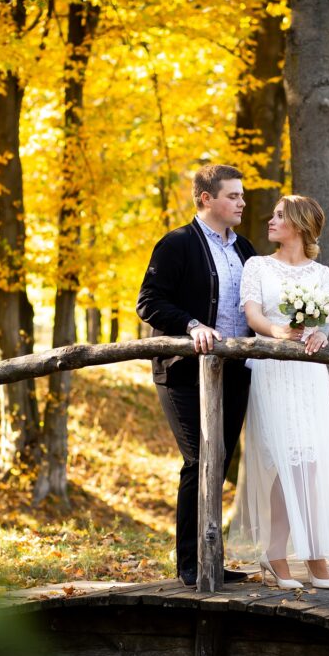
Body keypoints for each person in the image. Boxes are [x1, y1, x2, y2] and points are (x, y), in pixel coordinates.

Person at [136, 164, 257, 587]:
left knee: (219, 463)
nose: (242, 202)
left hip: (236, 372)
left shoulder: (245, 250)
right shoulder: (176, 244)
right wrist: (191, 325)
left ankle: (212, 556)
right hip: (185, 372)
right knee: (200, 460)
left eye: (242, 196)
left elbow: (255, 306)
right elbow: (148, 302)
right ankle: (191, 564)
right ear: (207, 199)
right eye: (233, 196)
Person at [229, 195, 329, 589]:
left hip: (308, 376)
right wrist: (279, 332)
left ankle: (314, 552)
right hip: (272, 368)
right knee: (286, 461)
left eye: (279, 216)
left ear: (299, 226)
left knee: (312, 462)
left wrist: (318, 333)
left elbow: (326, 322)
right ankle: (276, 552)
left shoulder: (323, 275)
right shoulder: (258, 266)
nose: (270, 220)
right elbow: (252, 315)